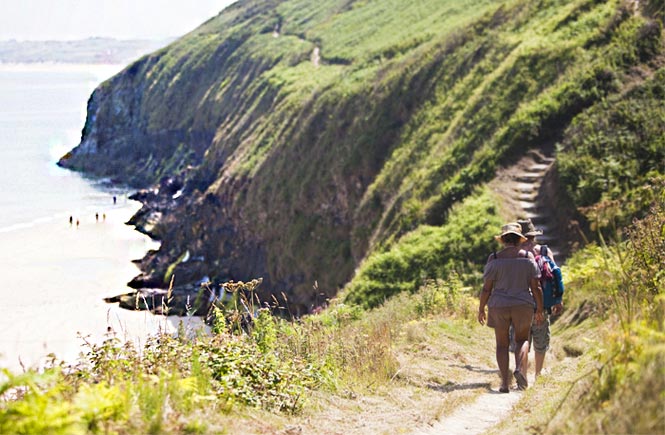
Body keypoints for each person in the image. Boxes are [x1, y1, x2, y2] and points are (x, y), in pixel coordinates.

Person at [479, 223, 544, 392]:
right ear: (519, 240)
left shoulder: (494, 258)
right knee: (522, 340)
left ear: (503, 240)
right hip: (523, 304)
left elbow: (487, 288)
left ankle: (504, 384)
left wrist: (481, 308)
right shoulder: (528, 257)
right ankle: (519, 369)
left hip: (499, 305)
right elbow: (536, 287)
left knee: (501, 344)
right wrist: (540, 308)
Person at [517, 219, 563, 378]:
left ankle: (522, 373)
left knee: (522, 339)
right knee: (541, 340)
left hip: (520, 304)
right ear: (533, 235)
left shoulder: (514, 252)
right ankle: (538, 374)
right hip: (541, 303)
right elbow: (556, 274)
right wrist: (558, 299)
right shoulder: (543, 251)